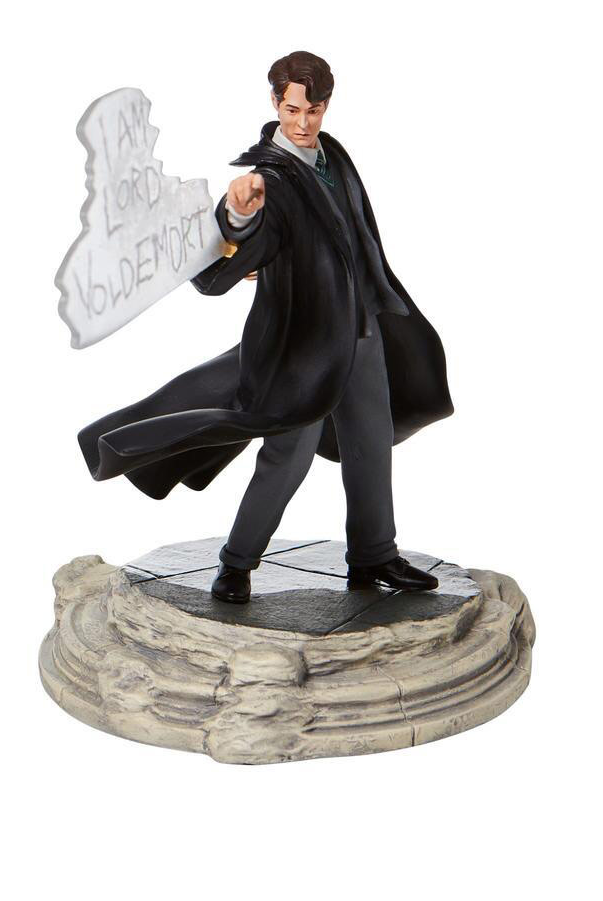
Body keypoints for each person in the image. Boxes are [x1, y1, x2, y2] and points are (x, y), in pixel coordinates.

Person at [78, 51, 454, 603]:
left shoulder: (333, 155)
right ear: (276, 103)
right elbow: (235, 244)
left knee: (371, 444)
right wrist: (238, 217)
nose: (303, 122)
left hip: (361, 330)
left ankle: (375, 553)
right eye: (293, 109)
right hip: (302, 350)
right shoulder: (269, 179)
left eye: (314, 110)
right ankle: (237, 562)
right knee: (286, 458)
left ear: (326, 106)